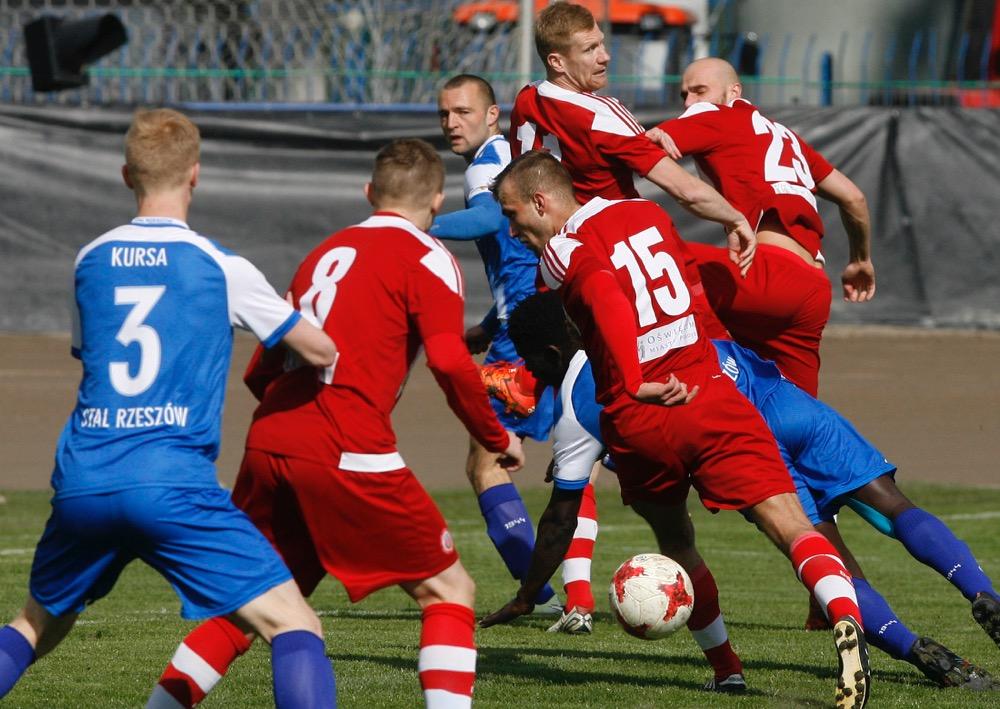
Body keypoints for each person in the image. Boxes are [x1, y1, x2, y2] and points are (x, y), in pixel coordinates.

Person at [483, 151, 871, 709]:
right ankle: (844, 616)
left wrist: (633, 378)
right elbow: (686, 279)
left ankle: (727, 670)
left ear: (541, 202)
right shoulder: (645, 211)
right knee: (790, 524)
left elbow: (605, 294)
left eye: (513, 214)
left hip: (639, 415)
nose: (513, 230)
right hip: (707, 392)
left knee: (677, 542)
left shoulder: (560, 252)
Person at [146, 138, 526, 709]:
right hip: (347, 444)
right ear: (437, 201)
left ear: (369, 192)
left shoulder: (324, 252)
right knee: (449, 591)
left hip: (271, 440)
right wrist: (496, 438)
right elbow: (449, 361)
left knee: (254, 606)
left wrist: (293, 428)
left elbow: (262, 368)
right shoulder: (428, 257)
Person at [0, 108, 339, 707]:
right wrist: (292, 315)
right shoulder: (221, 266)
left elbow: (92, 354)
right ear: (195, 174)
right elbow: (320, 349)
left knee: (34, 626)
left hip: (86, 477)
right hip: (171, 483)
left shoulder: (90, 259)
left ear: (126, 174)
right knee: (294, 624)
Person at [503, 289, 1000, 691]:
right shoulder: (642, 308)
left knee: (822, 555)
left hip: (741, 439)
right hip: (783, 401)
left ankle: (912, 648)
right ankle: (983, 592)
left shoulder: (580, 404)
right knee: (892, 506)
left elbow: (563, 516)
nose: (532, 374)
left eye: (531, 363)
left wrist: (528, 595)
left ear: (551, 353)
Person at [647, 56, 876, 398]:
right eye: (684, 94)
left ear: (733, 92)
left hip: (765, 277)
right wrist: (860, 259)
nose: (689, 103)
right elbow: (854, 198)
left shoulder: (715, 116)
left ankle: (704, 373)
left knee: (647, 260)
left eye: (699, 91)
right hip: (812, 291)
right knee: (795, 410)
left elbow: (638, 146)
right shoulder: (784, 136)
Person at [432, 73, 560, 613]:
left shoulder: (487, 164)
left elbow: (487, 217)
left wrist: (416, 223)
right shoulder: (512, 160)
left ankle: (542, 597)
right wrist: (485, 327)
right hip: (551, 323)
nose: (451, 122)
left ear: (492, 115)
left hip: (526, 335)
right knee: (589, 458)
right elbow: (521, 260)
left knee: (485, 465)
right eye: (444, 114)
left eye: (463, 111)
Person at [509, 2, 757, 281]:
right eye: (590, 49)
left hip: (551, 259)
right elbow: (686, 191)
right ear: (557, 62)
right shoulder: (601, 116)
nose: (605, 57)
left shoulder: (526, 98)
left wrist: (638, 140)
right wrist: (735, 219)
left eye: (602, 44)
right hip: (615, 257)